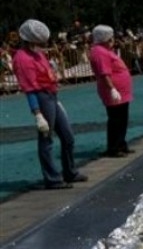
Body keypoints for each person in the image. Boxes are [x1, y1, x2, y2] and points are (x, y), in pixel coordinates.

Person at [12, 19, 87, 189]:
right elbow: (29, 88)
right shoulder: (22, 59)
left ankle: (70, 171)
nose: (43, 44)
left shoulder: (38, 54)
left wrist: (56, 100)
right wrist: (37, 113)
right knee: (46, 139)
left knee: (68, 137)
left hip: (51, 96)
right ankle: (52, 178)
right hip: (40, 98)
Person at [89, 24, 134, 158]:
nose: (112, 41)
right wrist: (112, 89)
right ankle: (113, 147)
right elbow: (104, 73)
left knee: (122, 118)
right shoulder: (99, 52)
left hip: (122, 91)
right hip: (113, 90)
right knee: (116, 119)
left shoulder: (105, 50)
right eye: (110, 39)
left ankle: (121, 143)